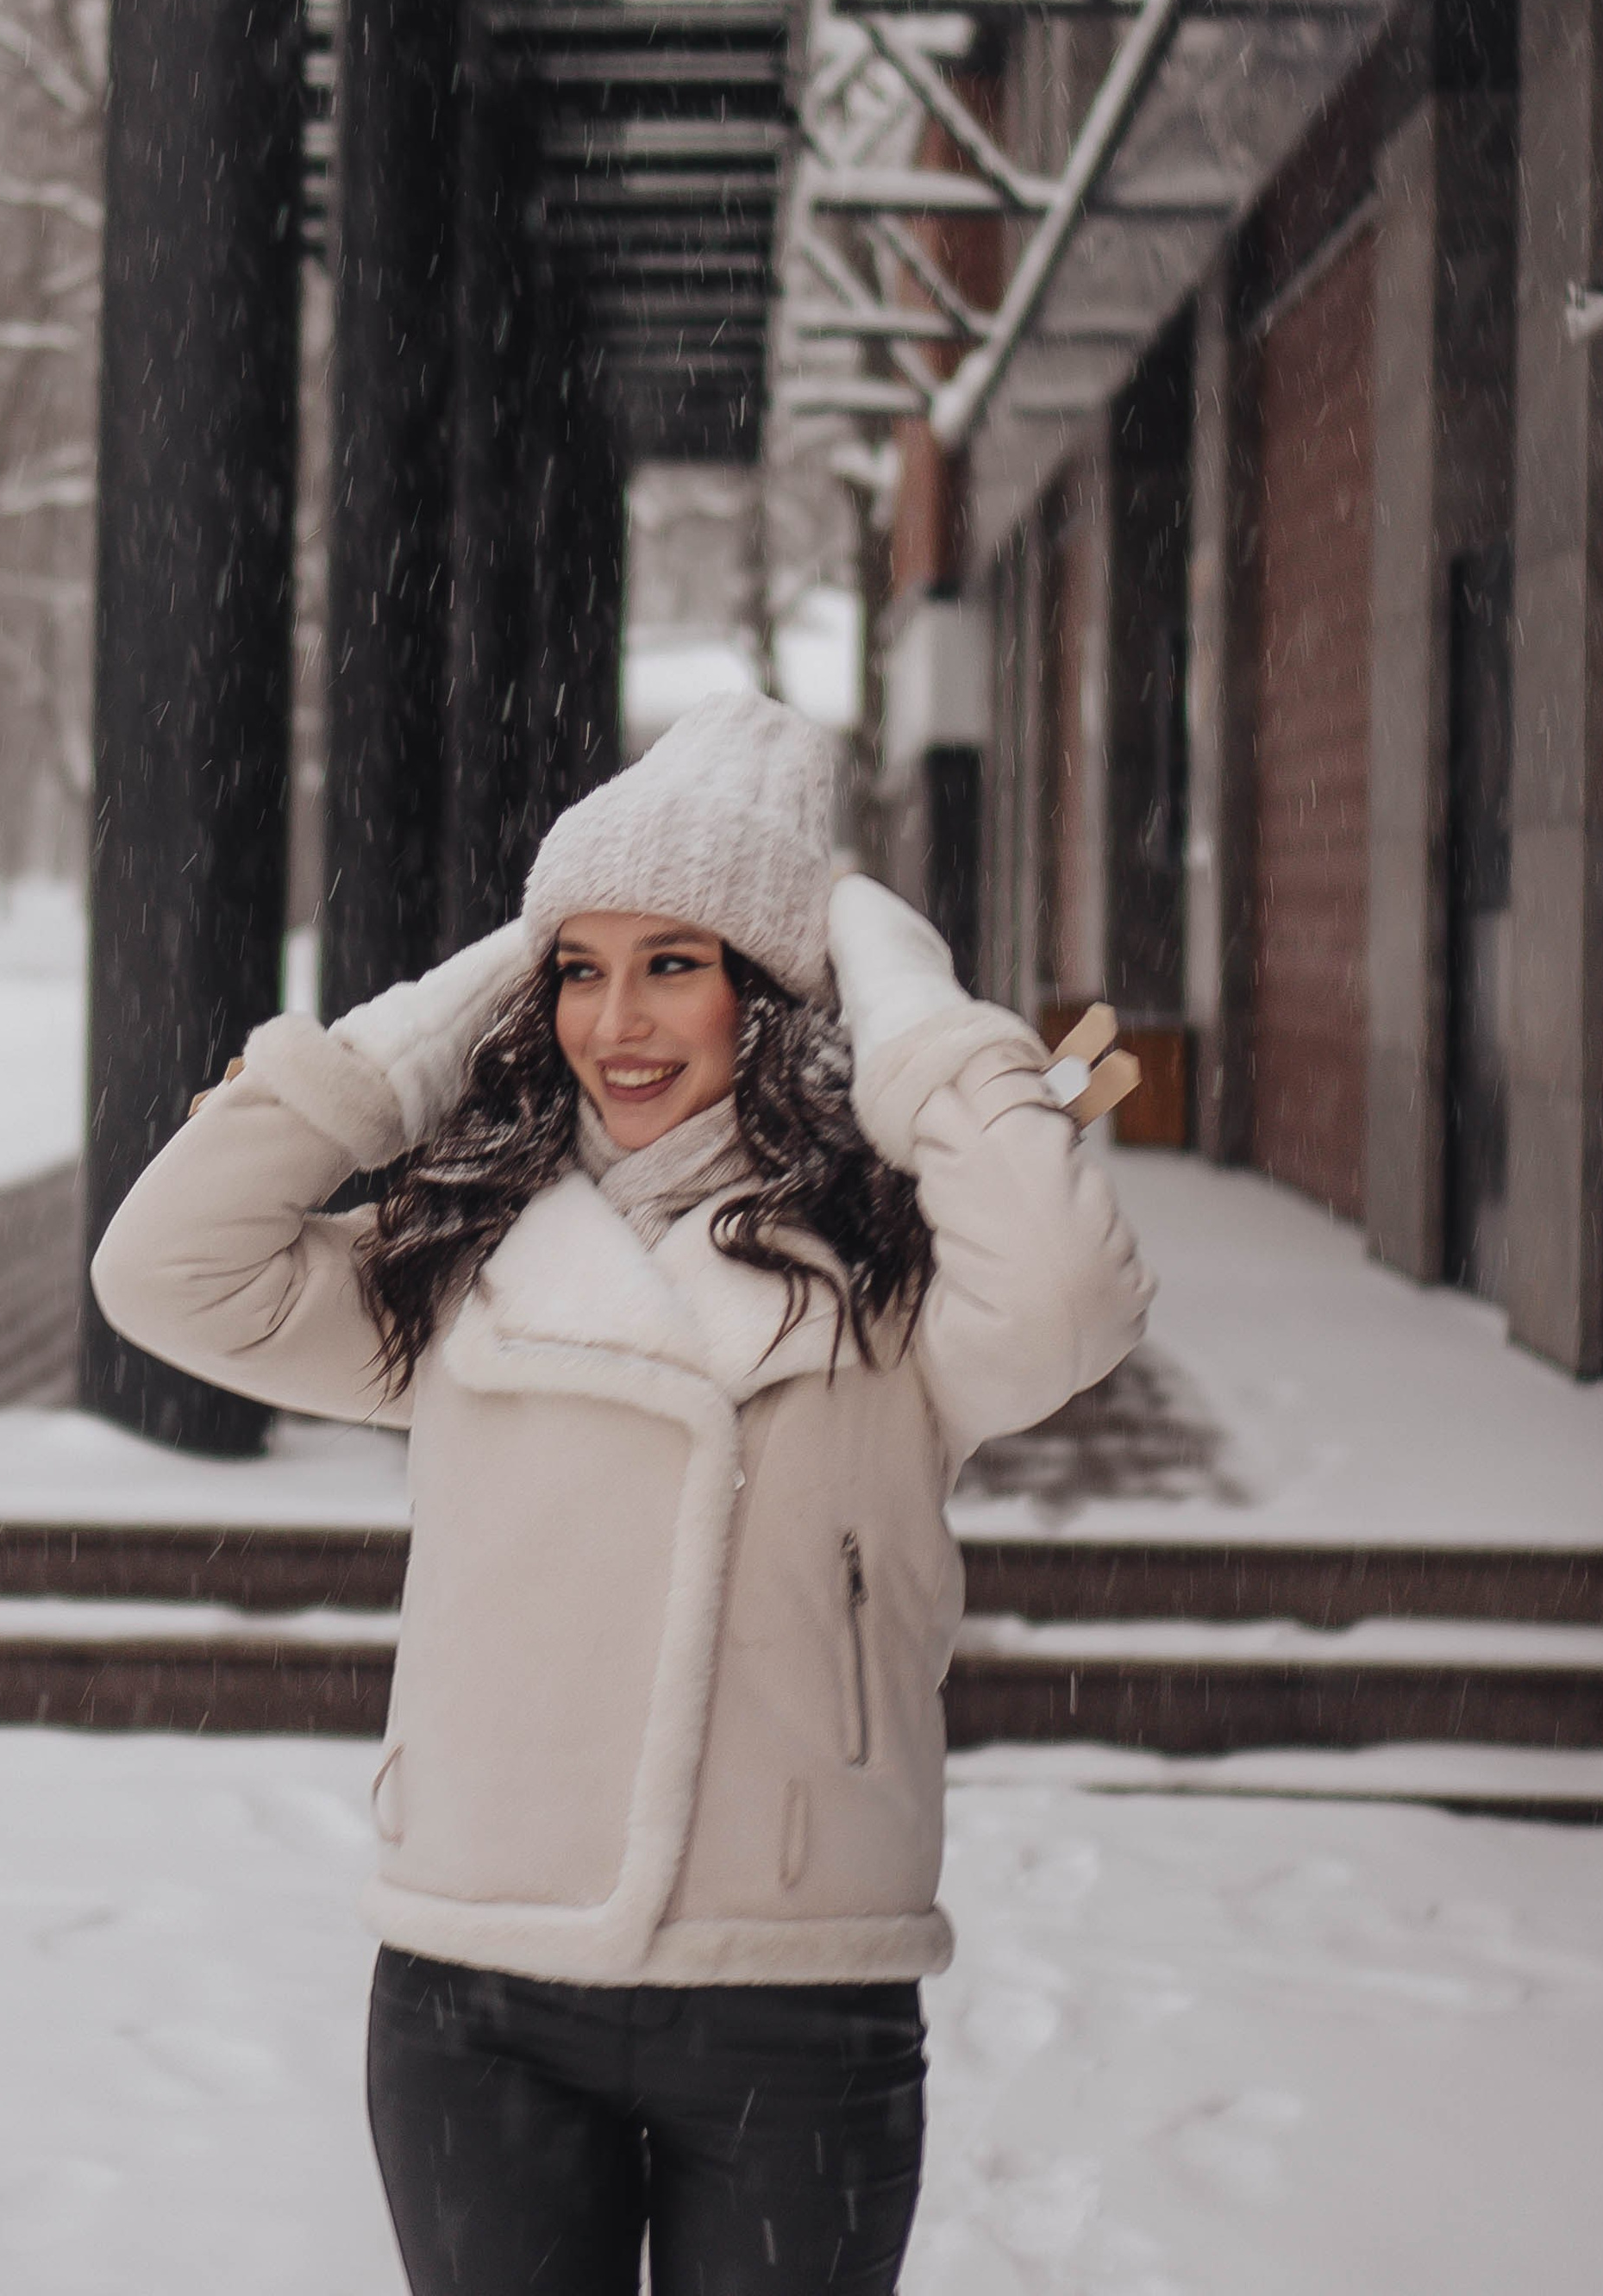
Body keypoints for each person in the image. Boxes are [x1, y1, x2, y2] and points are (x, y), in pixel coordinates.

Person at [92, 690, 1151, 2296]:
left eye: (678, 963)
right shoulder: (463, 1256)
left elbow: (1072, 1292)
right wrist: (424, 1028)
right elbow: (164, 1273)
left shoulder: (894, 1279)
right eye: (579, 969)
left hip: (798, 1991)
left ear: (773, 995)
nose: (619, 1023)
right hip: (478, 1991)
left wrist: (908, 996)